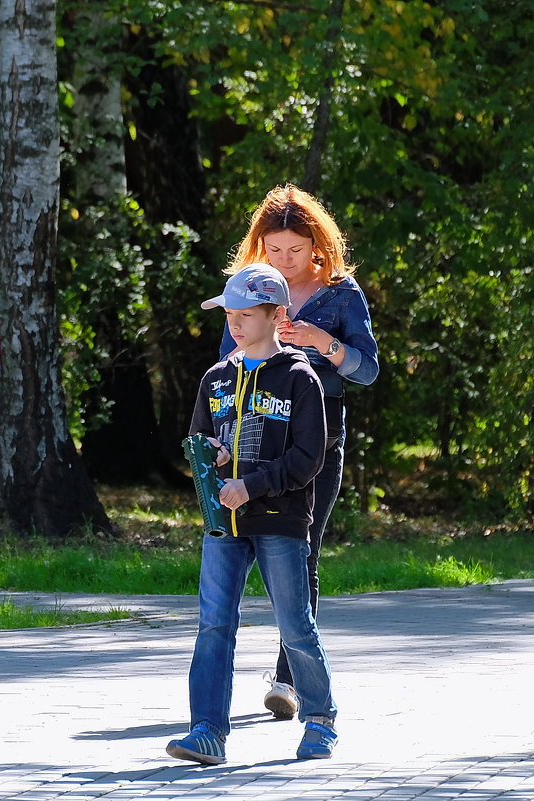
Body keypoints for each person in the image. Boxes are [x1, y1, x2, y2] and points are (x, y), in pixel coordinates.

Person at [167, 263, 337, 765]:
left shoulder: (300, 379)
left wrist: (252, 485)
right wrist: (212, 456)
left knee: (294, 624)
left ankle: (320, 718)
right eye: (229, 316)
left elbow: (310, 458)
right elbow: (199, 440)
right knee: (214, 624)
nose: (235, 325)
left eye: (245, 314)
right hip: (223, 524)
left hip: (280, 520)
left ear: (275, 314)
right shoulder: (216, 378)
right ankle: (207, 731)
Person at [221, 184, 378, 720]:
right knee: (249, 555)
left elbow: (368, 370)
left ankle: (289, 681)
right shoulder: (249, 288)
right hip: (256, 439)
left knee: (303, 549)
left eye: (295, 250)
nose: (285, 262)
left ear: (318, 245)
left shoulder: (341, 294)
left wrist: (322, 343)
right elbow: (224, 365)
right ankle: (222, 675)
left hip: (318, 439)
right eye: (275, 250)